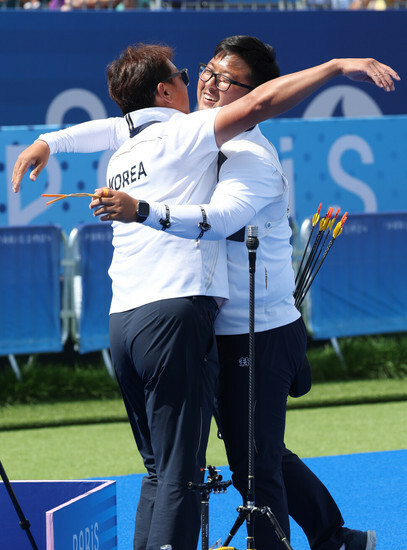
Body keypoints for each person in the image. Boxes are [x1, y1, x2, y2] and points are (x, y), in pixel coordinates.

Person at [11, 40, 398, 550]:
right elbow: (119, 123)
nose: (210, 84)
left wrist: (140, 208)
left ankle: (316, 538)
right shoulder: (181, 133)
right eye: (206, 72)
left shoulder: (247, 152)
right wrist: (50, 142)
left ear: (252, 94)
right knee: (250, 457)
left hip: (255, 331)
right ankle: (334, 535)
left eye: (226, 80)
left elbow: (216, 223)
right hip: (209, 326)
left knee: (251, 464)